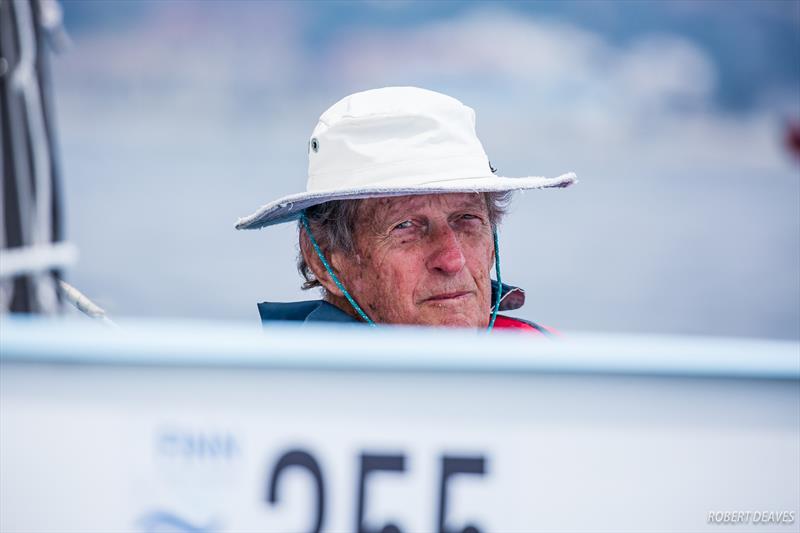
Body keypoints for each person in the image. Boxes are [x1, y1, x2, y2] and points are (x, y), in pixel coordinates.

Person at [235, 87, 576, 334]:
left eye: (467, 220)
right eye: (407, 226)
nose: (452, 259)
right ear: (325, 259)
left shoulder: (556, 367)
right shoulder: (272, 398)